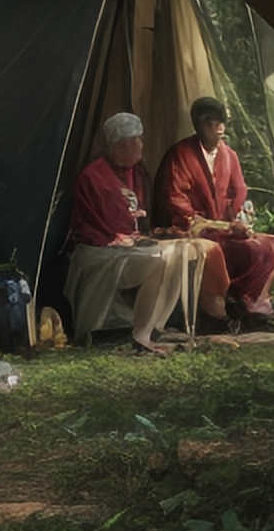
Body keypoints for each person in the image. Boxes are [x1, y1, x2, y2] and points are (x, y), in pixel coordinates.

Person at [66, 112, 208, 353]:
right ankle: (140, 333)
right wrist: (118, 237)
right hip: (100, 251)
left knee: (183, 252)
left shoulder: (136, 172)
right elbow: (96, 225)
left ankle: (157, 325)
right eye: (137, 140)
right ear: (120, 144)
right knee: (157, 262)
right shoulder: (94, 176)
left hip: (129, 244)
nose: (141, 145)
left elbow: (134, 217)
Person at [152, 96, 274, 328]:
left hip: (227, 226)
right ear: (201, 125)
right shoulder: (180, 155)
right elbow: (175, 200)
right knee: (231, 250)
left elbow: (239, 191)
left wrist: (238, 216)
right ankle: (222, 307)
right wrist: (217, 225)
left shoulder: (229, 155)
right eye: (213, 125)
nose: (220, 130)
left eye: (221, 124)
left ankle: (251, 301)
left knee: (272, 244)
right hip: (196, 229)